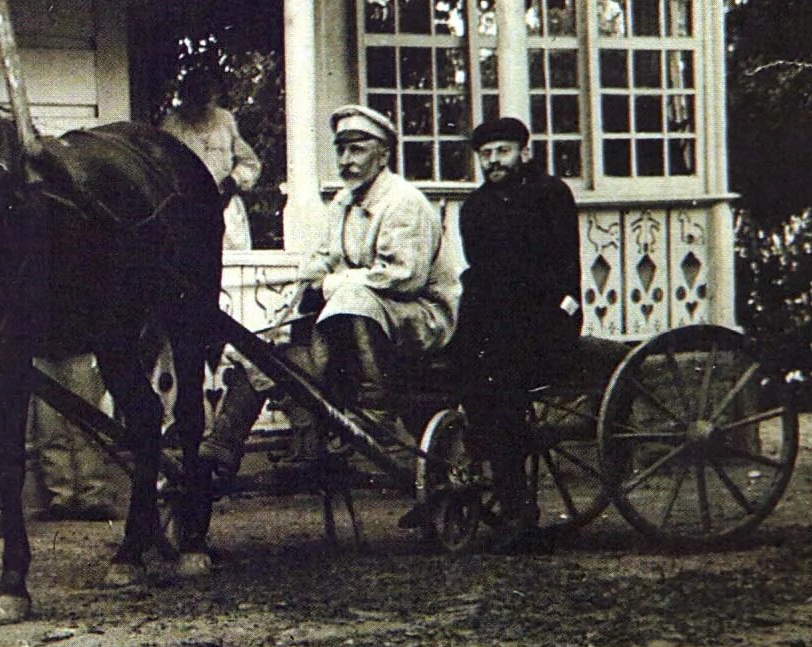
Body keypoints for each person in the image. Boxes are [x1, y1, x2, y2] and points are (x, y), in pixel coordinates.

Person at [202, 103, 461, 477]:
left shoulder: (405, 202)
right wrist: (303, 282)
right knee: (264, 347)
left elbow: (404, 276)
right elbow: (324, 258)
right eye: (341, 149)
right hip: (356, 322)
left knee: (350, 296)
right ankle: (223, 445)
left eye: (357, 149)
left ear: (383, 153)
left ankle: (376, 407)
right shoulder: (344, 202)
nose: (346, 160)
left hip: (418, 318)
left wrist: (332, 284)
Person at [452, 116, 583, 554]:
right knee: (466, 383)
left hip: (546, 318)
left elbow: (563, 266)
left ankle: (520, 515)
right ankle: (464, 486)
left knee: (502, 390)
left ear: (524, 152)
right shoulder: (475, 209)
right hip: (496, 322)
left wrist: (551, 312)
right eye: (486, 155)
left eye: (503, 151)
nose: (494, 161)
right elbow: (482, 273)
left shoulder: (550, 195)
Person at [161, 82, 261, 250]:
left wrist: (234, 179)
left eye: (205, 100)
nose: (201, 107)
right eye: (195, 99)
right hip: (188, 211)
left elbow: (250, 163)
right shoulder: (172, 125)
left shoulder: (224, 120)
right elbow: (160, 167)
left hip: (225, 207)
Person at [25, 354, 119, 522]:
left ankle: (94, 494)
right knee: (50, 426)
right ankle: (61, 495)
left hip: (80, 347)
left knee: (86, 422)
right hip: (44, 350)